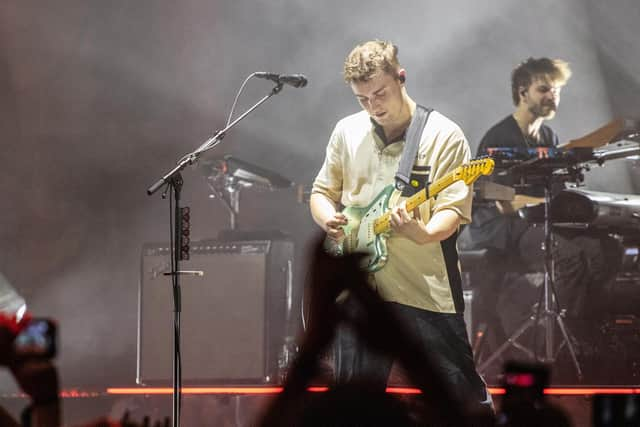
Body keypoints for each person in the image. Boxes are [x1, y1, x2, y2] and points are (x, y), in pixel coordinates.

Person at [309, 40, 490, 408]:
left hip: (423, 288)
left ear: (401, 78)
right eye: (362, 99)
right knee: (353, 406)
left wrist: (422, 232)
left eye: (380, 93)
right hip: (362, 289)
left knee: (460, 400)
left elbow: (452, 211)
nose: (373, 106)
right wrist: (329, 218)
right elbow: (321, 192)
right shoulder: (346, 131)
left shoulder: (444, 135)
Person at [464, 58, 614, 376]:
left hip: (533, 219)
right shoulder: (499, 137)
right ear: (523, 92)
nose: (552, 96)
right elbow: (500, 200)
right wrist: (543, 202)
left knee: (600, 251)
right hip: (500, 225)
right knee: (568, 254)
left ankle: (574, 323)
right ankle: (558, 330)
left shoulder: (549, 136)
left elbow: (554, 196)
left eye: (557, 90)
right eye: (544, 88)